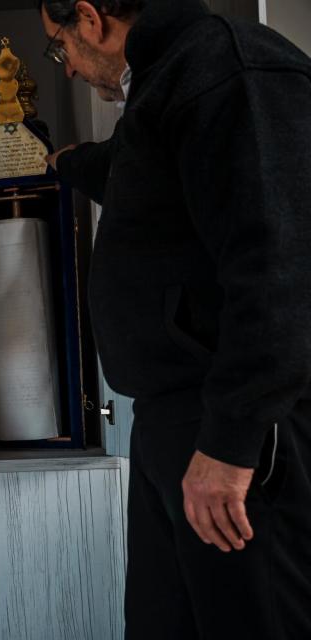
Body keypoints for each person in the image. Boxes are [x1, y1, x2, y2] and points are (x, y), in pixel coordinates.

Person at [38, 0, 311, 637]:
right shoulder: (171, 78)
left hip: (232, 425)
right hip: (176, 421)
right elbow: (145, 176)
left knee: (256, 622)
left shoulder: (229, 69)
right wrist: (64, 163)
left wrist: (230, 442)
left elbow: (282, 266)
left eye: (60, 48)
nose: (69, 70)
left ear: (90, 18)